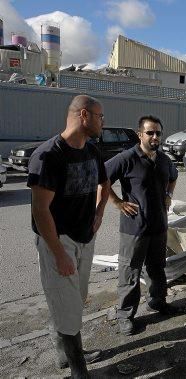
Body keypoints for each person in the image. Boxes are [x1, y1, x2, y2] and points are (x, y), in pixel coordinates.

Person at [28, 95, 110, 378]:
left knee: (74, 300)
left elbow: (105, 182)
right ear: (84, 115)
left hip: (85, 237)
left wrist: (99, 212)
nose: (103, 122)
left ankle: (65, 354)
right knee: (66, 306)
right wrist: (58, 253)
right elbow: (40, 210)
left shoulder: (92, 151)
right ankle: (79, 370)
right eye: (100, 116)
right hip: (57, 240)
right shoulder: (49, 155)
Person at [105, 115, 179, 336]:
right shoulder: (126, 158)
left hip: (158, 226)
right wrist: (117, 202)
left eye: (158, 132)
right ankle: (125, 316)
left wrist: (168, 194)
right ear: (140, 135)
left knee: (157, 268)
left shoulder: (164, 160)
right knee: (130, 273)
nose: (155, 136)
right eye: (150, 133)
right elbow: (102, 178)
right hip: (134, 229)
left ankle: (157, 301)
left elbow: (173, 177)